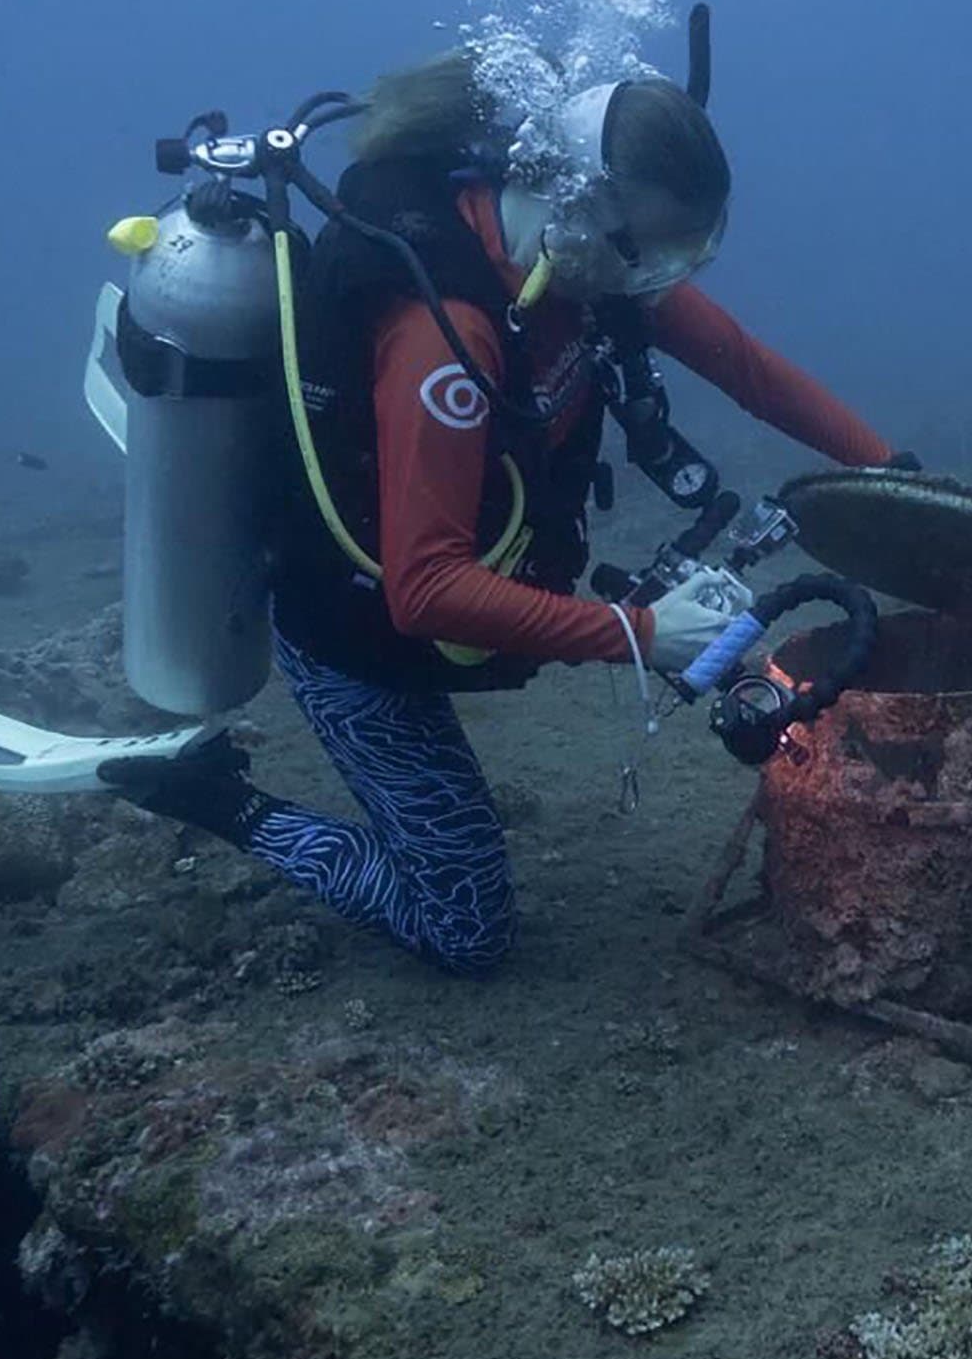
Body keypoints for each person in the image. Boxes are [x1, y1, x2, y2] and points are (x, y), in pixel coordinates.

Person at [102, 51, 894, 974]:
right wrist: (641, 631)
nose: (665, 283)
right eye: (657, 251)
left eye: (687, 254)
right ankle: (220, 797)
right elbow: (426, 590)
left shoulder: (599, 268)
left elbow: (749, 367)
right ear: (584, 207)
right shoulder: (450, 342)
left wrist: (893, 471)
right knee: (465, 927)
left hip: (472, 592)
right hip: (355, 636)